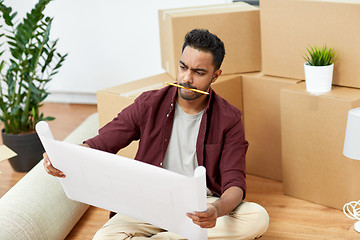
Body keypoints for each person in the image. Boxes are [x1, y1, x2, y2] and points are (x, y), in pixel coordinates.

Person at [44, 28, 269, 239]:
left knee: (257, 218)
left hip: (200, 207)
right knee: (103, 237)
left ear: (215, 75)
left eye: (199, 72)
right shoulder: (149, 103)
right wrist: (62, 157)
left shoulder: (229, 118)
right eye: (183, 67)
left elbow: (234, 183)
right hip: (146, 203)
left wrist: (215, 210)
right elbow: (103, 142)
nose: (186, 79)